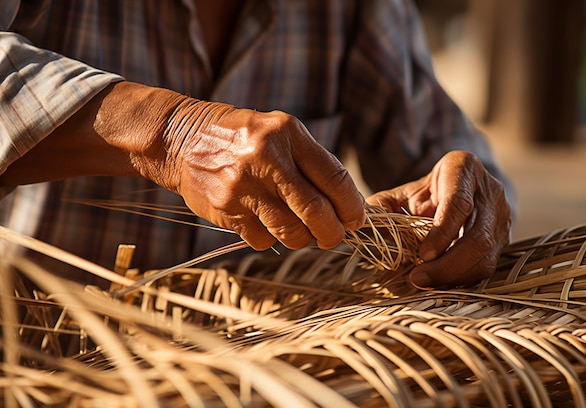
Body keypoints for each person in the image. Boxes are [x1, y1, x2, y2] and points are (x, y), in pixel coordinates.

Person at [0, 0, 512, 288]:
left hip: (252, 365)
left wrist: (461, 198)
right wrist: (173, 133)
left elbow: (436, 142)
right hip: (45, 353)